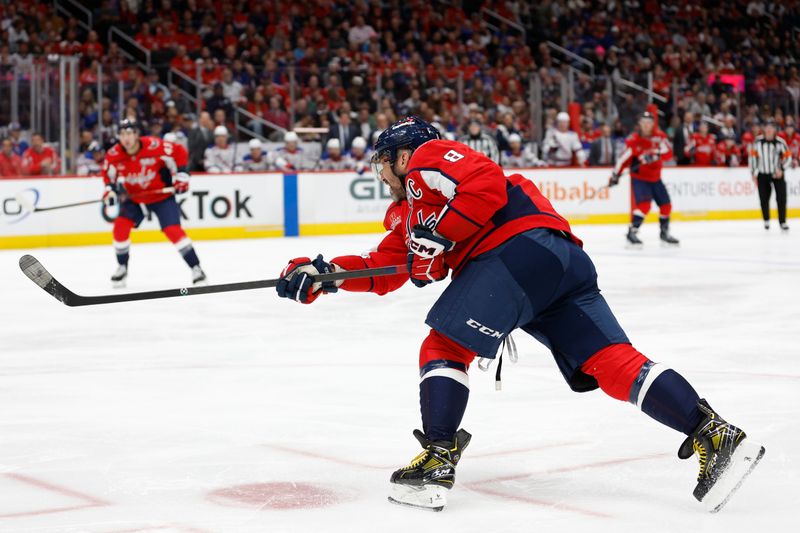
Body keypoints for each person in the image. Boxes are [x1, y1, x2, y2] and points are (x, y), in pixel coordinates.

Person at [274, 116, 764, 512]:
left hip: (513, 251)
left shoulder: (426, 159)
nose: (381, 175)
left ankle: (438, 459)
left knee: (444, 347)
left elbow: (485, 182)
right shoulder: (411, 214)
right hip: (559, 264)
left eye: (384, 162)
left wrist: (440, 236)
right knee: (611, 359)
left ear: (403, 155)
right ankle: (713, 433)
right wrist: (324, 275)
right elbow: (391, 266)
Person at [102, 119, 206, 287]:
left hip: (161, 197)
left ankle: (197, 269)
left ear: (136, 134)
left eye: (129, 133)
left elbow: (179, 151)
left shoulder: (154, 145)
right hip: (135, 198)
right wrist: (110, 190)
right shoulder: (113, 154)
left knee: (172, 230)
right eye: (122, 134)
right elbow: (109, 176)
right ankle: (122, 267)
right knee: (120, 228)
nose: (126, 138)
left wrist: (182, 176)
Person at [610, 112, 679, 246]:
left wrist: (655, 154)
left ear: (653, 124)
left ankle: (664, 233)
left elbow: (669, 153)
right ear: (640, 124)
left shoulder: (660, 137)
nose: (646, 125)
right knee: (644, 206)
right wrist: (615, 175)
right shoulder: (633, 140)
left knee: (666, 206)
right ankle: (632, 232)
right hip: (640, 179)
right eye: (644, 122)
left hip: (656, 178)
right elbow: (623, 159)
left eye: (649, 122)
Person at [750, 119, 791, 231]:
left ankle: (782, 222)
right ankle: (766, 220)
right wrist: (753, 172)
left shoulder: (780, 142)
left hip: (777, 174)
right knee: (764, 198)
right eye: (766, 127)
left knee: (781, 198)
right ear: (763, 129)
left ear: (774, 129)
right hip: (763, 174)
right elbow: (753, 157)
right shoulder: (757, 142)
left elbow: (788, 157)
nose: (768, 129)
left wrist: (782, 169)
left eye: (771, 127)